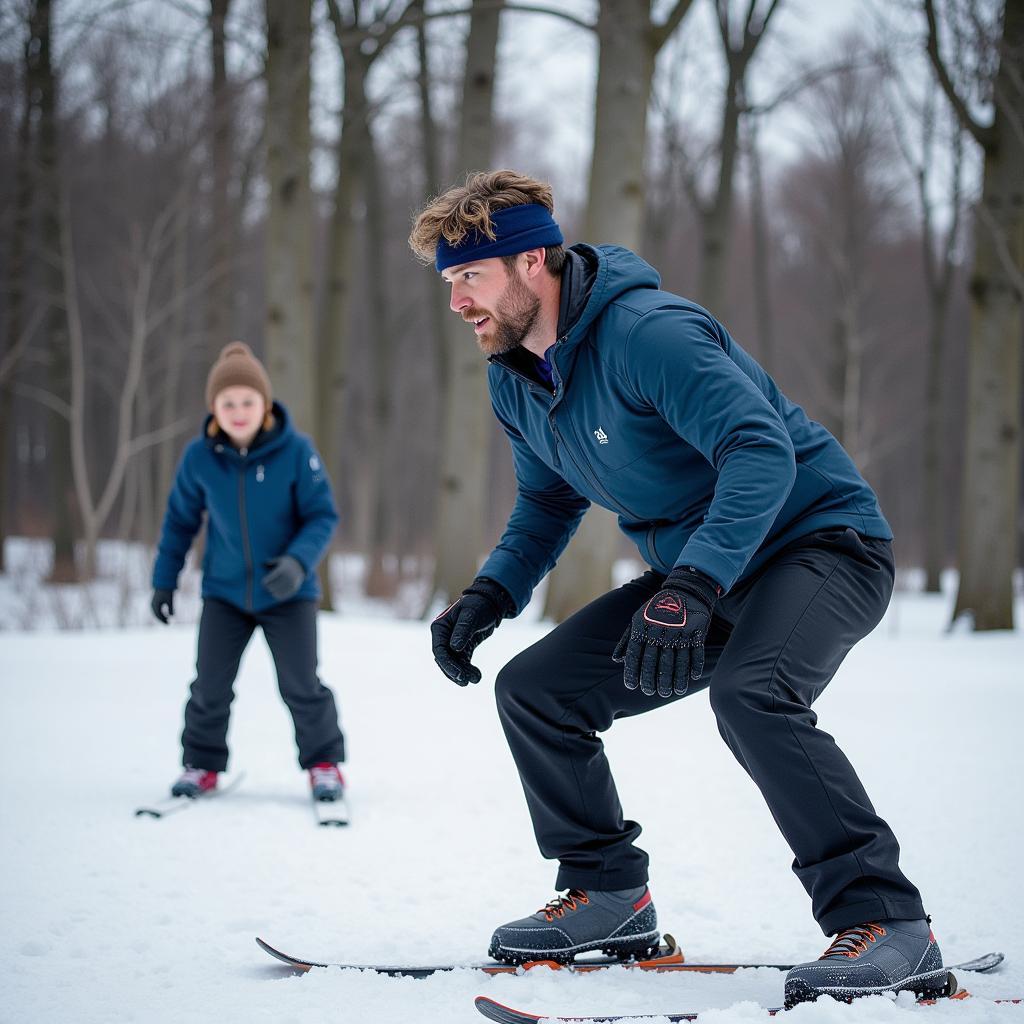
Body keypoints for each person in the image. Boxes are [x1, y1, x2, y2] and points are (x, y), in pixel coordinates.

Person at [411, 170, 946, 1007]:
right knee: (538, 692)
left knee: (754, 693)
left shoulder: (646, 333)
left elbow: (759, 451)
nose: (457, 303)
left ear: (530, 263)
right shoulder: (514, 374)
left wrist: (691, 584)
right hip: (708, 572)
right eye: (449, 282)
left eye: (468, 278)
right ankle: (610, 896)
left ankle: (891, 924)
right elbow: (550, 501)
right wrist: (490, 593)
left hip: (823, 544)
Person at [151, 341, 346, 805]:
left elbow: (322, 516)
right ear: (214, 408)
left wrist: (298, 562)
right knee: (209, 686)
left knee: (301, 684)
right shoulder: (200, 458)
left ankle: (324, 766)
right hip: (225, 593)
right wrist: (165, 579)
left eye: (248, 401)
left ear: (265, 404)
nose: (239, 411)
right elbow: (180, 521)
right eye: (228, 402)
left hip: (289, 593)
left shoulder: (296, 451)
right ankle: (201, 765)